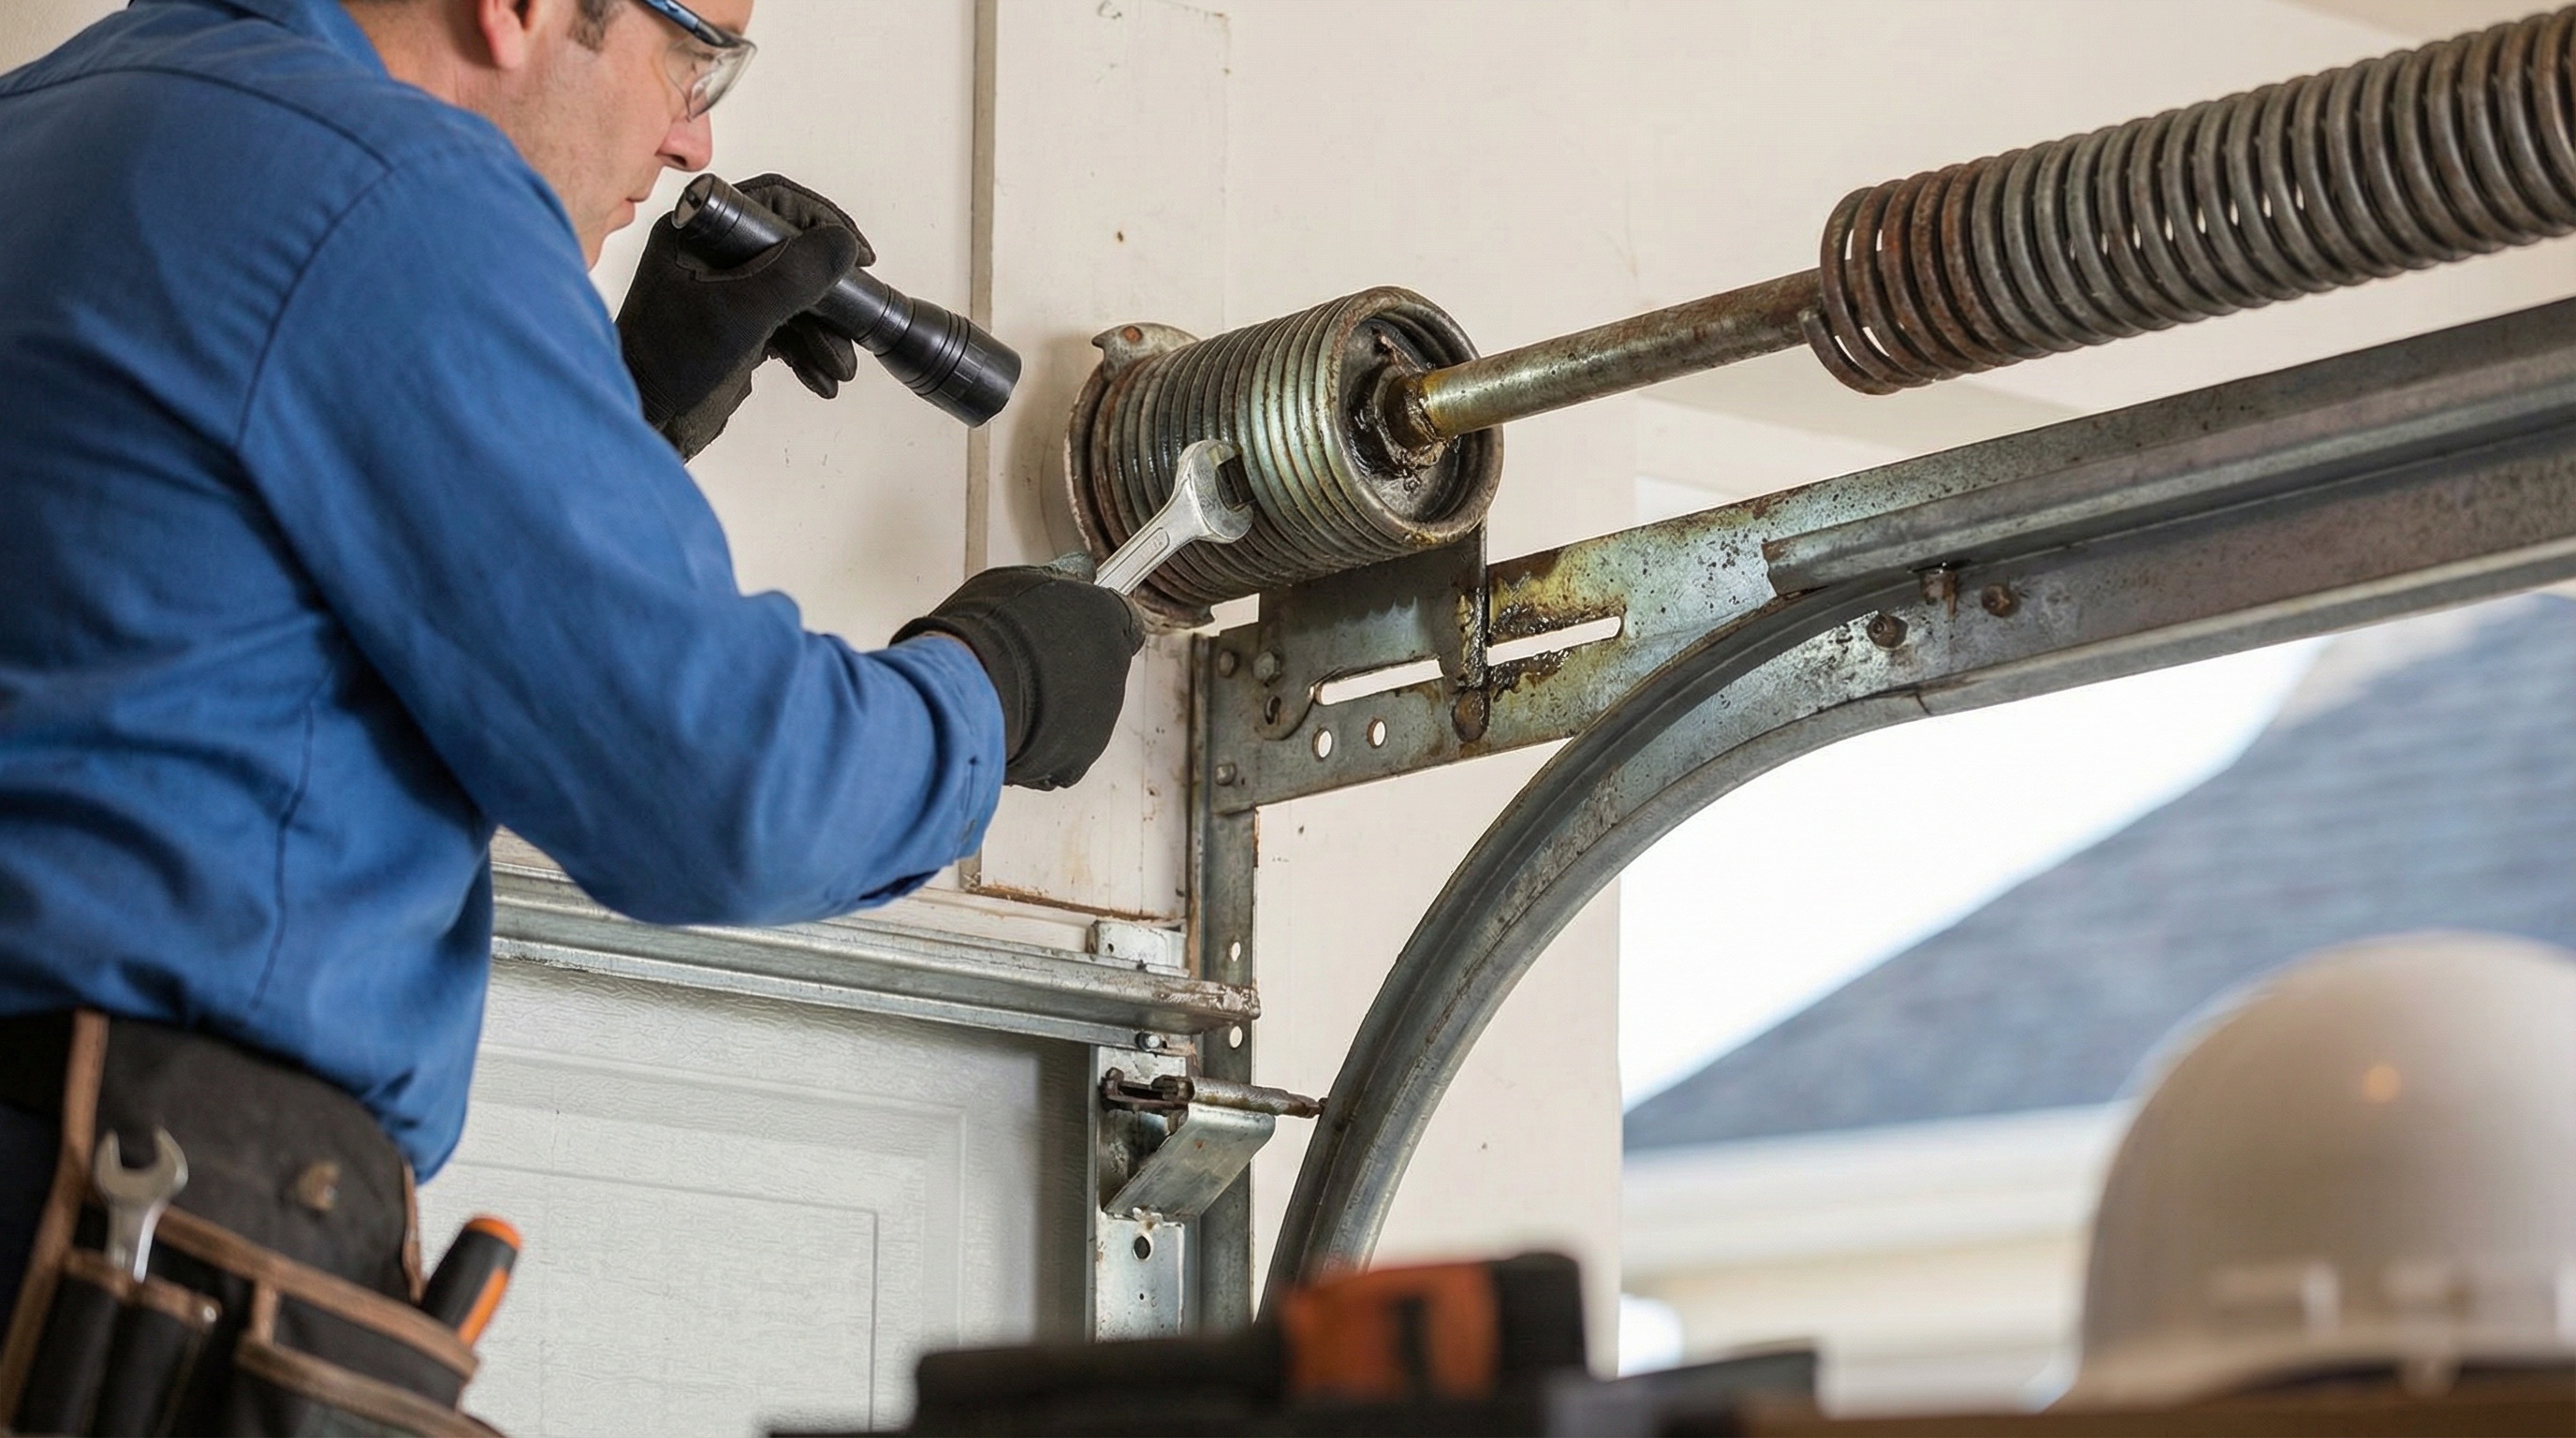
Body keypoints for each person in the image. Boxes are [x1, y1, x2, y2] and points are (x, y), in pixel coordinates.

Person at [0, 0, 1137, 1419]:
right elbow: (723, 789)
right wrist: (998, 683)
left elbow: (219, 609)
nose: (694, 137)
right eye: (694, 55)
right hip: (124, 1239)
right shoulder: (397, 195)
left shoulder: (62, 117)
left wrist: (617, 403)